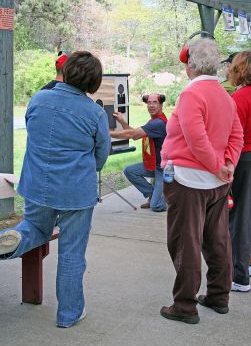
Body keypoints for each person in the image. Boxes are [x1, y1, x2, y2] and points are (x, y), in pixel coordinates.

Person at [0, 51, 111, 328]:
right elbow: (101, 155)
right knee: (72, 252)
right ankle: (68, 314)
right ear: (94, 82)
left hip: (37, 184)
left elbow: (32, 130)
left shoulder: (38, 99)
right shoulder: (94, 112)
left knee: (35, 230)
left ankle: (14, 236)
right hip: (75, 192)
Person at [160, 38, 243, 324]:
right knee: (217, 240)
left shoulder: (191, 95)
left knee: (186, 242)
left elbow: (196, 140)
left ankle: (184, 305)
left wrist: (219, 165)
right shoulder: (224, 95)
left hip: (188, 181)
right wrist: (227, 164)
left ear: (189, 64)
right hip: (217, 183)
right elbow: (236, 136)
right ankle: (219, 296)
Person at [228, 51, 251, 292]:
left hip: (248, 159)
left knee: (241, 217)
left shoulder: (239, 98)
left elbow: (232, 135)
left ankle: (239, 276)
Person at [109, 93, 167, 212]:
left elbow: (132, 134)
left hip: (163, 169)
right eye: (149, 103)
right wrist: (122, 122)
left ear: (161, 104)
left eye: (155, 102)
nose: (151, 105)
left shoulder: (159, 123)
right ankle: (154, 194)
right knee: (129, 171)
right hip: (154, 165)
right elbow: (135, 134)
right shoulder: (153, 121)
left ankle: (169, 200)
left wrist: (106, 133)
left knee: (155, 206)